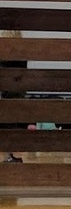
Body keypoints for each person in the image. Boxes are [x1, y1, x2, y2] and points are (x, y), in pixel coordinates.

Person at [1, 29, 26, 163]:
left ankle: (9, 157)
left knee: (6, 129)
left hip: (7, 97)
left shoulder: (4, 51)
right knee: (16, 129)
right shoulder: (22, 52)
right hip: (19, 96)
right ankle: (16, 158)